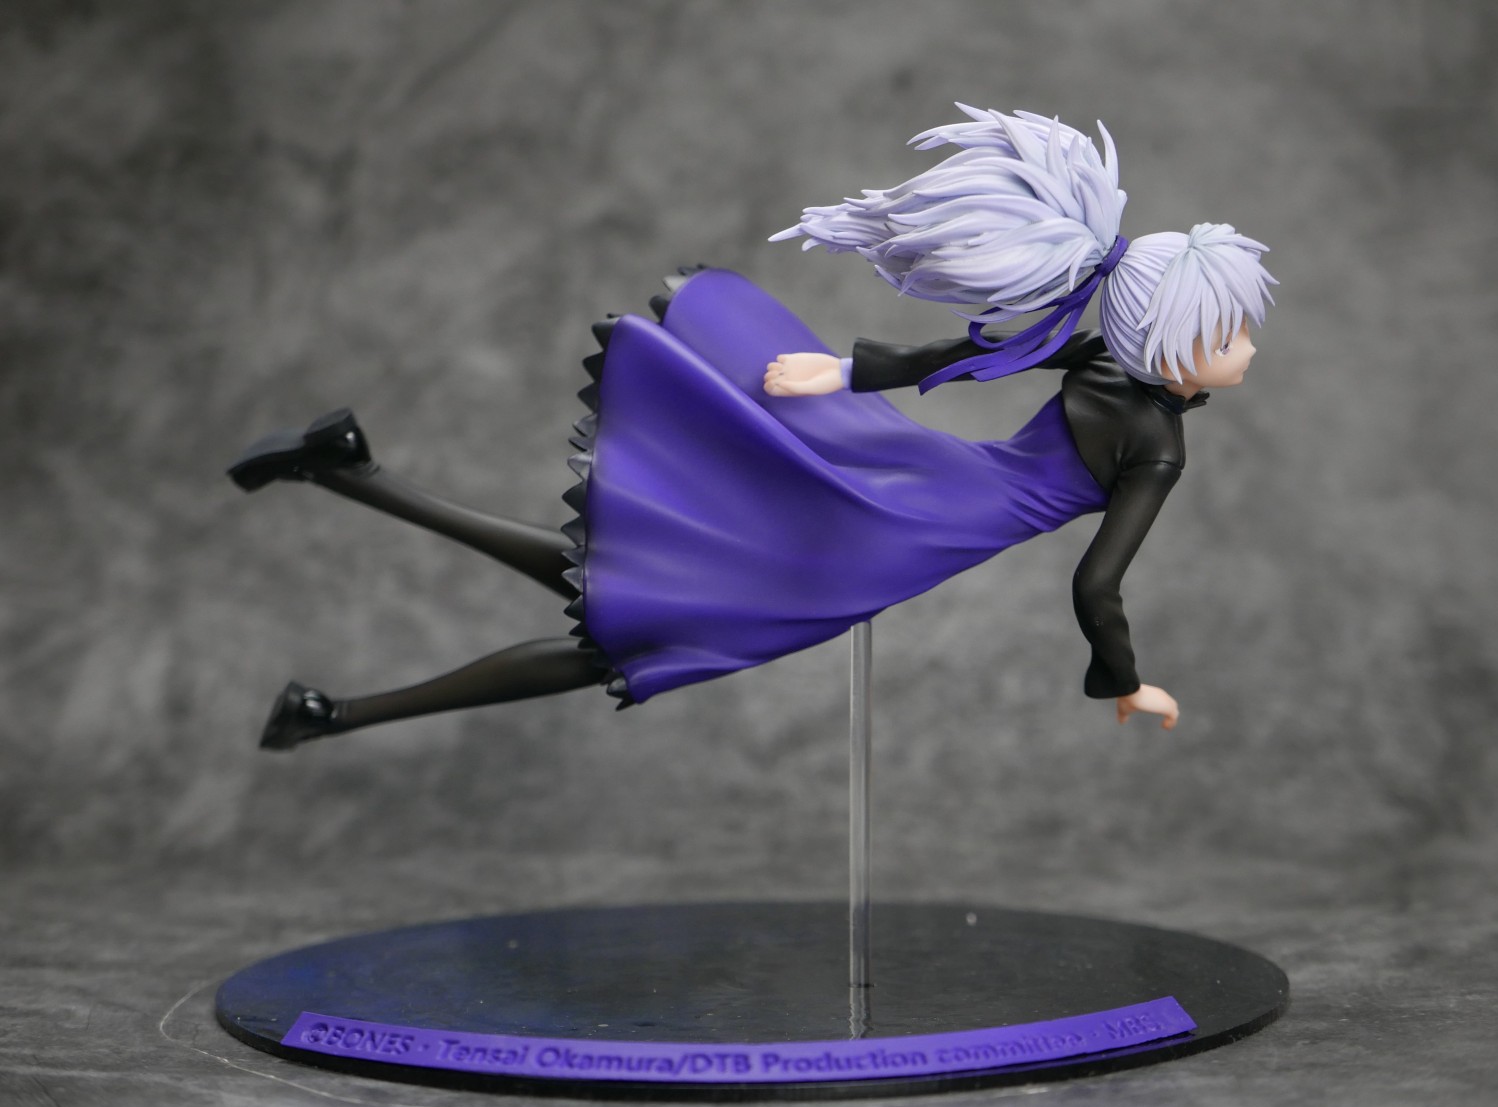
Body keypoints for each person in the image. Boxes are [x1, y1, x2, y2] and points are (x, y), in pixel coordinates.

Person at [229, 106, 1275, 751]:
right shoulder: (1157, 443)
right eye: (1227, 331)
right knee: (642, 625)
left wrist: (848, 372)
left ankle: (346, 484)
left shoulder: (1099, 358)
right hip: (897, 535)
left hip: (914, 484)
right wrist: (1123, 681)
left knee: (623, 587)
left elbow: (963, 354)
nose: (1245, 348)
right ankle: (334, 706)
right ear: (1169, 339)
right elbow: (1095, 584)